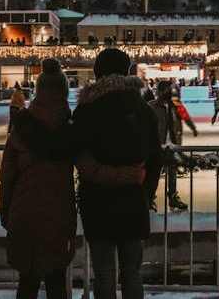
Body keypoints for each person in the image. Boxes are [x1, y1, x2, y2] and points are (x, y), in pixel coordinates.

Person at [72, 48, 162, 299]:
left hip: (97, 200)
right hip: (134, 200)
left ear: (97, 73)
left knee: (104, 272)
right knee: (132, 273)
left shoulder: (86, 110)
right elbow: (155, 156)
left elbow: (75, 149)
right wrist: (146, 192)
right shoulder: (143, 111)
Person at [0, 58, 76, 299]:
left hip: (25, 209)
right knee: (56, 278)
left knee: (28, 278)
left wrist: (6, 214)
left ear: (37, 91)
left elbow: (7, 176)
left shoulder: (20, 127)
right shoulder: (72, 128)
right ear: (64, 91)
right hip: (59, 210)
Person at [149, 81, 196, 211]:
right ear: (159, 92)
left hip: (172, 146)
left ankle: (173, 198)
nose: (170, 92)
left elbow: (184, 118)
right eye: (167, 90)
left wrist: (192, 129)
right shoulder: (151, 107)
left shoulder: (175, 106)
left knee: (172, 173)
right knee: (154, 174)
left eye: (171, 90)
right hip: (157, 146)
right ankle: (150, 199)